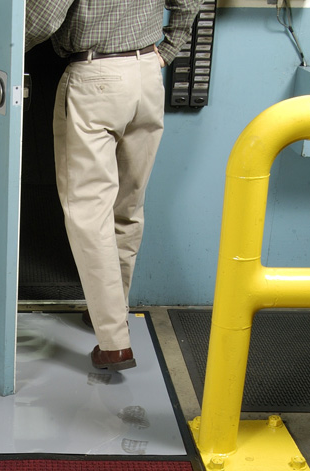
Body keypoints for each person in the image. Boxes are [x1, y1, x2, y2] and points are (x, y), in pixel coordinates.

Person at [25, 0, 203, 371]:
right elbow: (189, 1)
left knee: (88, 213)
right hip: (146, 75)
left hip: (96, 77)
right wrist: (168, 49)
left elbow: (42, 19)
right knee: (128, 207)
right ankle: (109, 311)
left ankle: (114, 343)